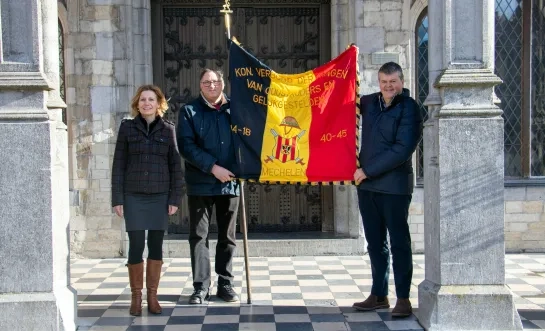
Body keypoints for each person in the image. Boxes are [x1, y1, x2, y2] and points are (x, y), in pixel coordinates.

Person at [352, 62, 423, 317]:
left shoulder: (410, 108)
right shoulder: (370, 103)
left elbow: (402, 150)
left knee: (399, 243)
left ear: (401, 82)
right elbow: (341, 101)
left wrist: (367, 171)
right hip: (367, 187)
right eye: (384, 82)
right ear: (378, 82)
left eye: (393, 81)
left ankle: (403, 298)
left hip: (394, 188)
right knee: (375, 243)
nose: (388, 86)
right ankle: (379, 294)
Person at [111, 85, 184, 316]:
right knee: (135, 246)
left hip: (159, 196)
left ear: (159, 103)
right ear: (137, 104)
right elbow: (118, 165)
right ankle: (136, 298)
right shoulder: (127, 128)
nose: (146, 103)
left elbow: (175, 167)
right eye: (143, 99)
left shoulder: (168, 129)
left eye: (151, 99)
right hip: (133, 196)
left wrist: (174, 198)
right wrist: (117, 199)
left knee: (155, 245)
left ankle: (152, 297)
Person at [177, 68, 240, 304]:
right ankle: (200, 287)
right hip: (201, 183)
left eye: (215, 81)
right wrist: (213, 168)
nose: (211, 85)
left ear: (222, 83)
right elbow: (186, 146)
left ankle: (225, 283)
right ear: (200, 85)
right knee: (199, 236)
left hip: (230, 184)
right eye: (206, 82)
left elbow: (247, 138)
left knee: (228, 237)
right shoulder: (189, 111)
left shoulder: (236, 109)